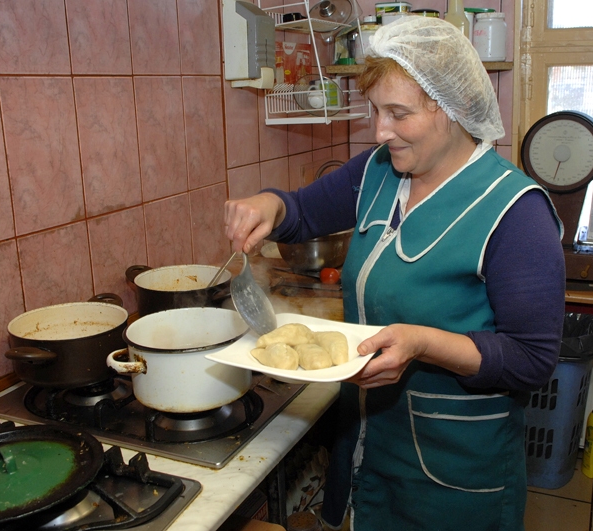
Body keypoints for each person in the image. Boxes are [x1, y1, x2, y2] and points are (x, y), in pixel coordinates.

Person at [223, 16, 565, 531]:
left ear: (451, 110)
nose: (380, 131)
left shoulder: (515, 212)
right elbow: (304, 211)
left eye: (398, 113)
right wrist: (269, 205)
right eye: (376, 111)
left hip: (455, 471)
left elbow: (532, 359)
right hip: (367, 443)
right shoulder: (380, 170)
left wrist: (424, 343)